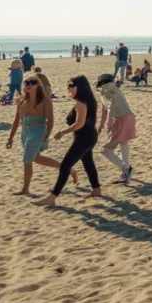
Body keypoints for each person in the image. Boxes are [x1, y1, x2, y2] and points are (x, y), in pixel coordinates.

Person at [34, 75, 102, 206]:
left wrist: (62, 132)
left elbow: (80, 123)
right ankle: (96, 189)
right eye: (68, 86)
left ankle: (52, 197)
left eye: (71, 86)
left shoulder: (81, 103)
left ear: (80, 87)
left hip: (84, 137)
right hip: (89, 136)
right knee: (88, 162)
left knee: (65, 166)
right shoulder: (90, 100)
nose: (68, 88)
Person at [6, 75, 75, 195]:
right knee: (36, 158)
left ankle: (25, 189)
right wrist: (10, 137)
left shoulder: (45, 101)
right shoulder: (21, 100)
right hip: (25, 131)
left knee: (27, 160)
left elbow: (51, 119)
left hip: (38, 130)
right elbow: (16, 120)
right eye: (26, 83)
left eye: (32, 83)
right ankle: (68, 169)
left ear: (38, 85)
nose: (28, 85)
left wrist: (47, 134)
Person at [95, 74, 137, 184]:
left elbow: (104, 109)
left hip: (120, 119)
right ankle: (126, 170)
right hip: (129, 116)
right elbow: (105, 110)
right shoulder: (115, 90)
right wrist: (101, 125)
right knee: (124, 143)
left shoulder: (106, 90)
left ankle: (125, 169)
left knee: (106, 150)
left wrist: (101, 125)